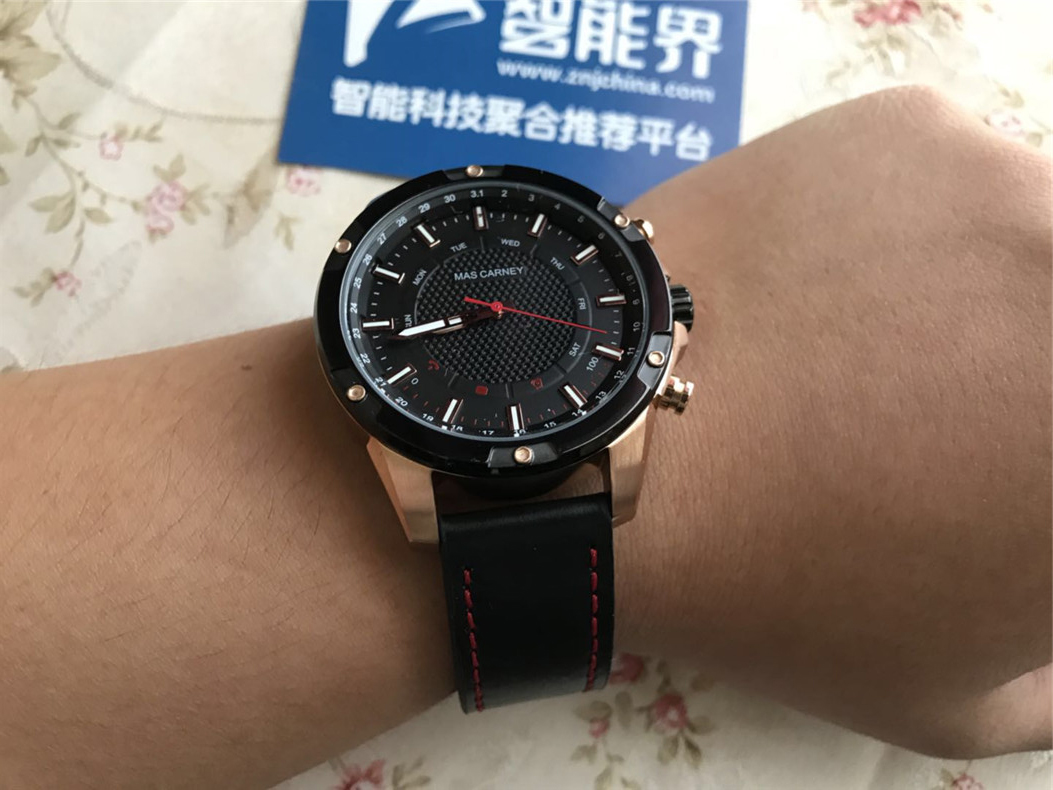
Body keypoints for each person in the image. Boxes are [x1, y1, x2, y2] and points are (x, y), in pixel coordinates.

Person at [0, 87, 1049, 789]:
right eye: (481, 307)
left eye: (502, 308)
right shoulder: (406, 385)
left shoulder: (624, 353)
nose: (493, 311)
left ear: (666, 337)